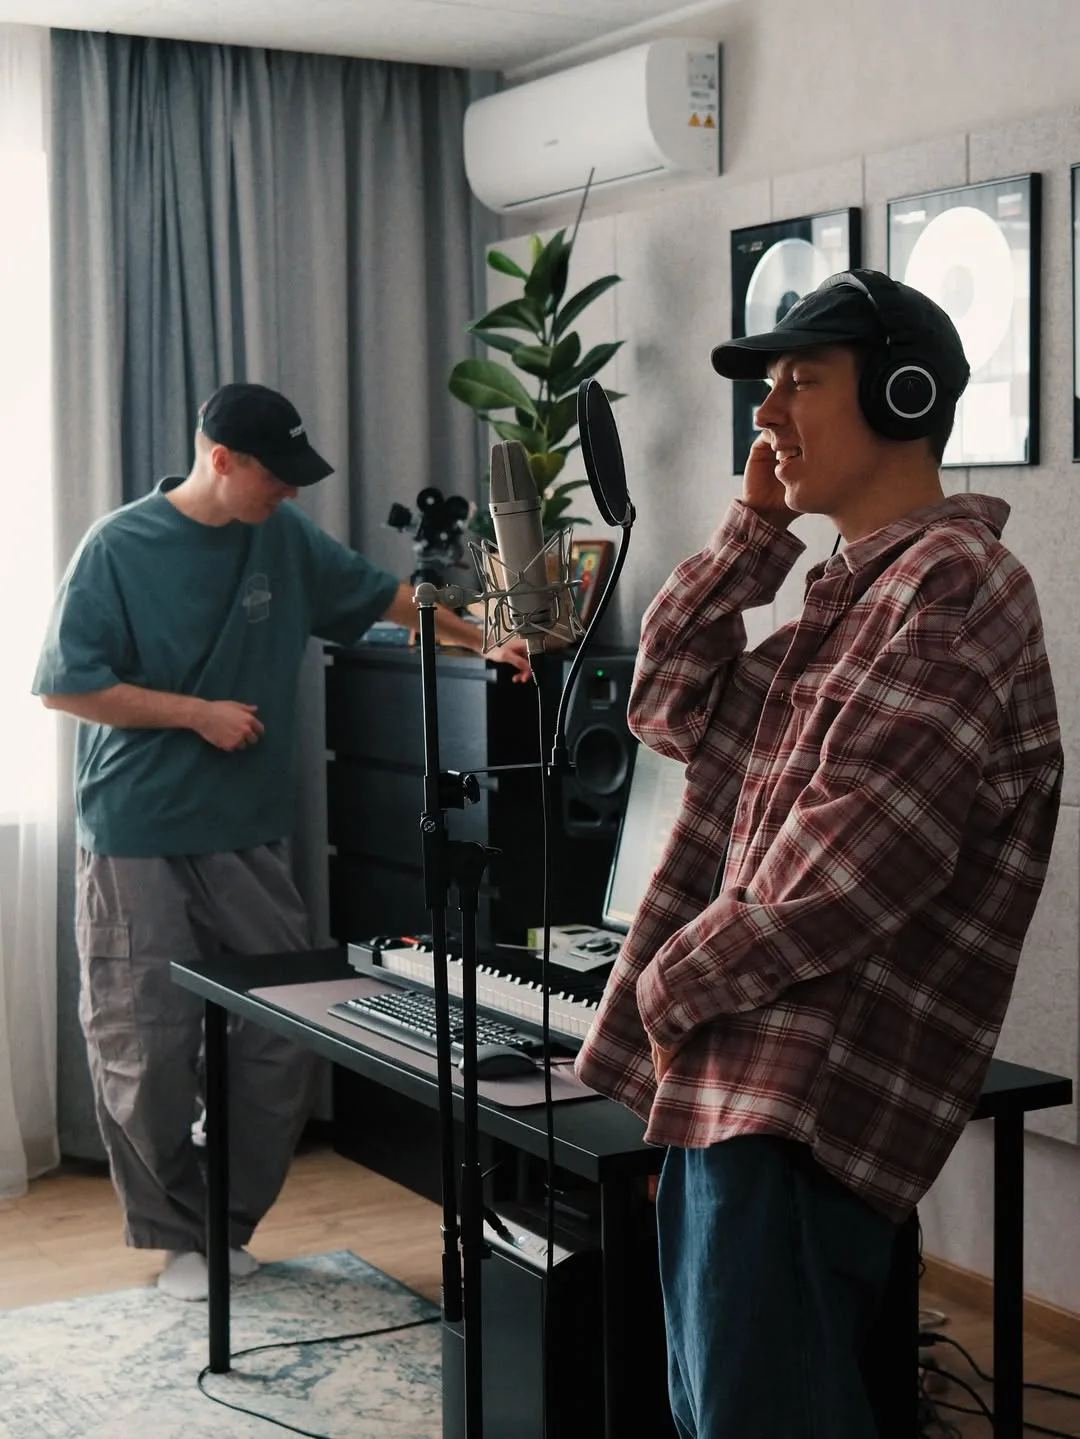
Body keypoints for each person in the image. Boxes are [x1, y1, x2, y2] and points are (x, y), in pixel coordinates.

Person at [574, 270, 1063, 1437]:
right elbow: (668, 703)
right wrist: (754, 533)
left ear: (904, 394)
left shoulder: (953, 586)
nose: (768, 411)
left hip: (801, 1101)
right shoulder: (851, 598)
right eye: (769, 385)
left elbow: (857, 859)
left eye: (801, 380)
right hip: (741, 1084)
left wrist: (671, 983)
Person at [34, 381, 530, 1301]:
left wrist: (479, 641)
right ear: (221, 459)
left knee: (283, 1037)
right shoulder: (117, 546)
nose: (293, 490)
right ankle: (179, 1236)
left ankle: (224, 1221)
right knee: (145, 1047)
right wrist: (195, 714)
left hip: (249, 834)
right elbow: (66, 684)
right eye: (279, 474)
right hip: (136, 832)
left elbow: (386, 597)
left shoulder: (284, 538)